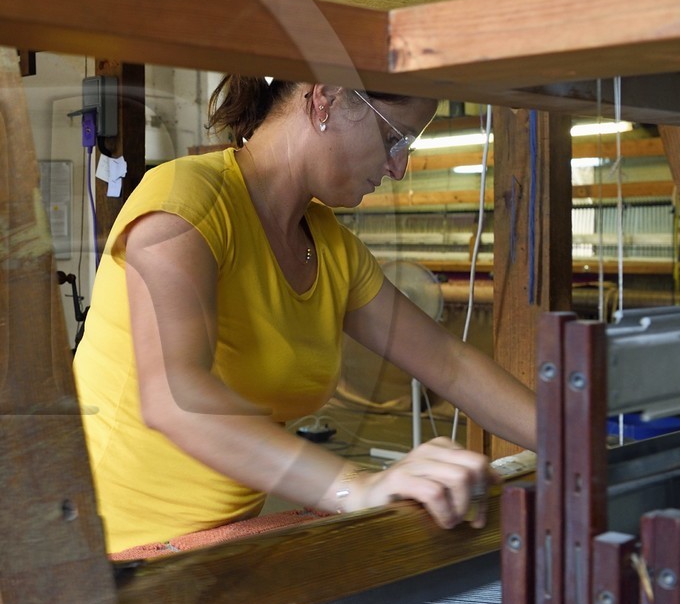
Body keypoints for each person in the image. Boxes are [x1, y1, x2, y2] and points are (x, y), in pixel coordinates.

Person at [73, 78, 537, 555]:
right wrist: (354, 487)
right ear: (326, 99)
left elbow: (449, 364)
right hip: (106, 557)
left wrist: (572, 442)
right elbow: (176, 398)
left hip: (215, 551)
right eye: (393, 138)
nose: (399, 167)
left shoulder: (332, 249)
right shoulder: (189, 198)